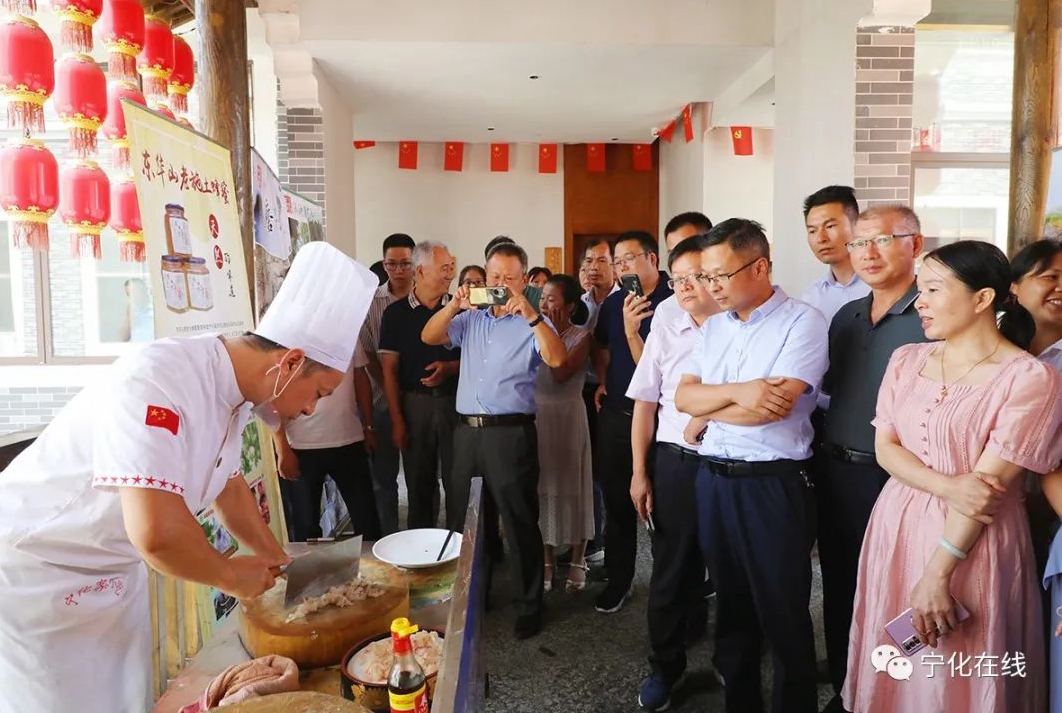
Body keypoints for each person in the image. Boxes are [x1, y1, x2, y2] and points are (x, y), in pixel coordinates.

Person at [0, 242, 377, 712]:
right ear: (291, 362)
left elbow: (228, 486)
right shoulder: (158, 379)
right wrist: (230, 576)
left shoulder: (238, 394)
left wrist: (275, 558)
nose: (310, 409)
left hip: (113, 573)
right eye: (318, 392)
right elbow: (156, 532)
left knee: (126, 700)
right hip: (40, 576)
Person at [844, 240, 1062, 713]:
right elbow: (886, 448)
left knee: (958, 661)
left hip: (971, 542)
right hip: (897, 524)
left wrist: (937, 573)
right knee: (901, 658)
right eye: (920, 289)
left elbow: (985, 492)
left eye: (934, 290)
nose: (920, 302)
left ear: (982, 298)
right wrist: (946, 485)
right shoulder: (907, 359)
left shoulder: (1030, 378)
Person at [675, 218, 827, 713]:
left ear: (759, 267)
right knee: (732, 607)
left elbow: (773, 409)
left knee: (782, 612)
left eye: (720, 275)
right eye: (706, 277)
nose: (711, 287)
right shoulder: (715, 327)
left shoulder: (802, 321)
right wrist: (741, 391)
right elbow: (683, 397)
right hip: (713, 481)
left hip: (771, 486)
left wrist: (707, 410)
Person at [422, 242, 566, 639]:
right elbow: (429, 335)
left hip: (510, 433)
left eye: (509, 277)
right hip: (467, 433)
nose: (501, 283)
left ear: (524, 280)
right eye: (494, 276)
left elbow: (557, 359)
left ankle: (529, 605)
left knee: (518, 521)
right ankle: (474, 597)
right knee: (466, 521)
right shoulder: (471, 319)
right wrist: (454, 305)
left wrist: (532, 315)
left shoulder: (532, 321)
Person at [817, 205, 927, 713]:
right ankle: (848, 685)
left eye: (883, 240)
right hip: (838, 471)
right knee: (841, 583)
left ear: (915, 244)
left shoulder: (932, 315)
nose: (868, 253)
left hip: (902, 480)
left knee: (901, 589)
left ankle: (899, 690)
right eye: (859, 243)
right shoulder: (846, 317)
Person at [627, 235, 718, 711]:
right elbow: (646, 400)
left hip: (731, 463)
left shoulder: (740, 323)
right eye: (677, 278)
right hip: (675, 461)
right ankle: (664, 666)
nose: (684, 287)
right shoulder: (666, 320)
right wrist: (639, 472)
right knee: (670, 569)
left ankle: (733, 660)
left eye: (695, 276)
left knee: (733, 568)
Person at [592, 230, 673, 613]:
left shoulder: (674, 299)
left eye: (629, 259)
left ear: (652, 259)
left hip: (662, 421)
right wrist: (604, 381)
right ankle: (619, 579)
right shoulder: (613, 304)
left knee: (664, 508)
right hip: (617, 416)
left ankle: (671, 587)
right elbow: (601, 348)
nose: (623, 268)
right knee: (616, 502)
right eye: (618, 262)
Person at [379, 241, 461, 530]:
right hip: (415, 405)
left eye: (452, 267)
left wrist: (450, 368)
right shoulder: (395, 314)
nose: (451, 274)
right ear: (422, 271)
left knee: (458, 482)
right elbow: (389, 371)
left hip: (456, 404)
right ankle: (421, 548)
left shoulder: (459, 310)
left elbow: (478, 360)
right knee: (418, 485)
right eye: (444, 268)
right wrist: (397, 421)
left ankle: (459, 547)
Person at [272, 339, 381, 542]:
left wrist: (368, 426)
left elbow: (360, 378)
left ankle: (371, 563)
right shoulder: (286, 334)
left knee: (367, 520)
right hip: (301, 445)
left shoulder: (348, 333)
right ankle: (310, 564)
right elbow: (272, 394)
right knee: (305, 527)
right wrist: (282, 449)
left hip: (349, 440)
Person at [535, 274, 594, 594]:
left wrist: (554, 332)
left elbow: (561, 374)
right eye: (542, 297)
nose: (545, 304)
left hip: (568, 416)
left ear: (570, 305)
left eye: (552, 298)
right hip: (538, 415)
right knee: (542, 486)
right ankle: (546, 560)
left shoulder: (582, 336)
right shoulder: (532, 332)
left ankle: (577, 559)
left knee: (573, 485)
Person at [361, 232, 416, 535]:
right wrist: (390, 388)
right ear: (384, 264)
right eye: (391, 264)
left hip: (421, 400)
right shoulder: (372, 303)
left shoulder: (428, 299)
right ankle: (388, 539)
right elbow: (368, 352)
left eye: (405, 263)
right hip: (382, 400)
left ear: (415, 263)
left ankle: (423, 539)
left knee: (421, 478)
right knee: (384, 480)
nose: (398, 270)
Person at [578, 239, 618, 560]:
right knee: (586, 468)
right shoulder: (578, 304)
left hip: (615, 391)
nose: (594, 267)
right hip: (581, 391)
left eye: (602, 261)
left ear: (615, 265)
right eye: (589, 261)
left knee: (611, 469)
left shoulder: (626, 301)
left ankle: (613, 541)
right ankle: (593, 539)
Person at [799, 186, 870, 323]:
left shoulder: (881, 285)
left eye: (830, 226)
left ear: (857, 226)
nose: (821, 238)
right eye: (812, 231)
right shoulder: (811, 297)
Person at [650, 211, 714, 329]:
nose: (680, 257)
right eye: (673, 252)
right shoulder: (666, 310)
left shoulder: (734, 303)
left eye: (687, 247)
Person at [119, 277, 154, 343]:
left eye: (136, 290)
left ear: (145, 289)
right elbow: (124, 338)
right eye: (129, 293)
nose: (133, 295)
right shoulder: (132, 312)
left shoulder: (155, 309)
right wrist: (129, 316)